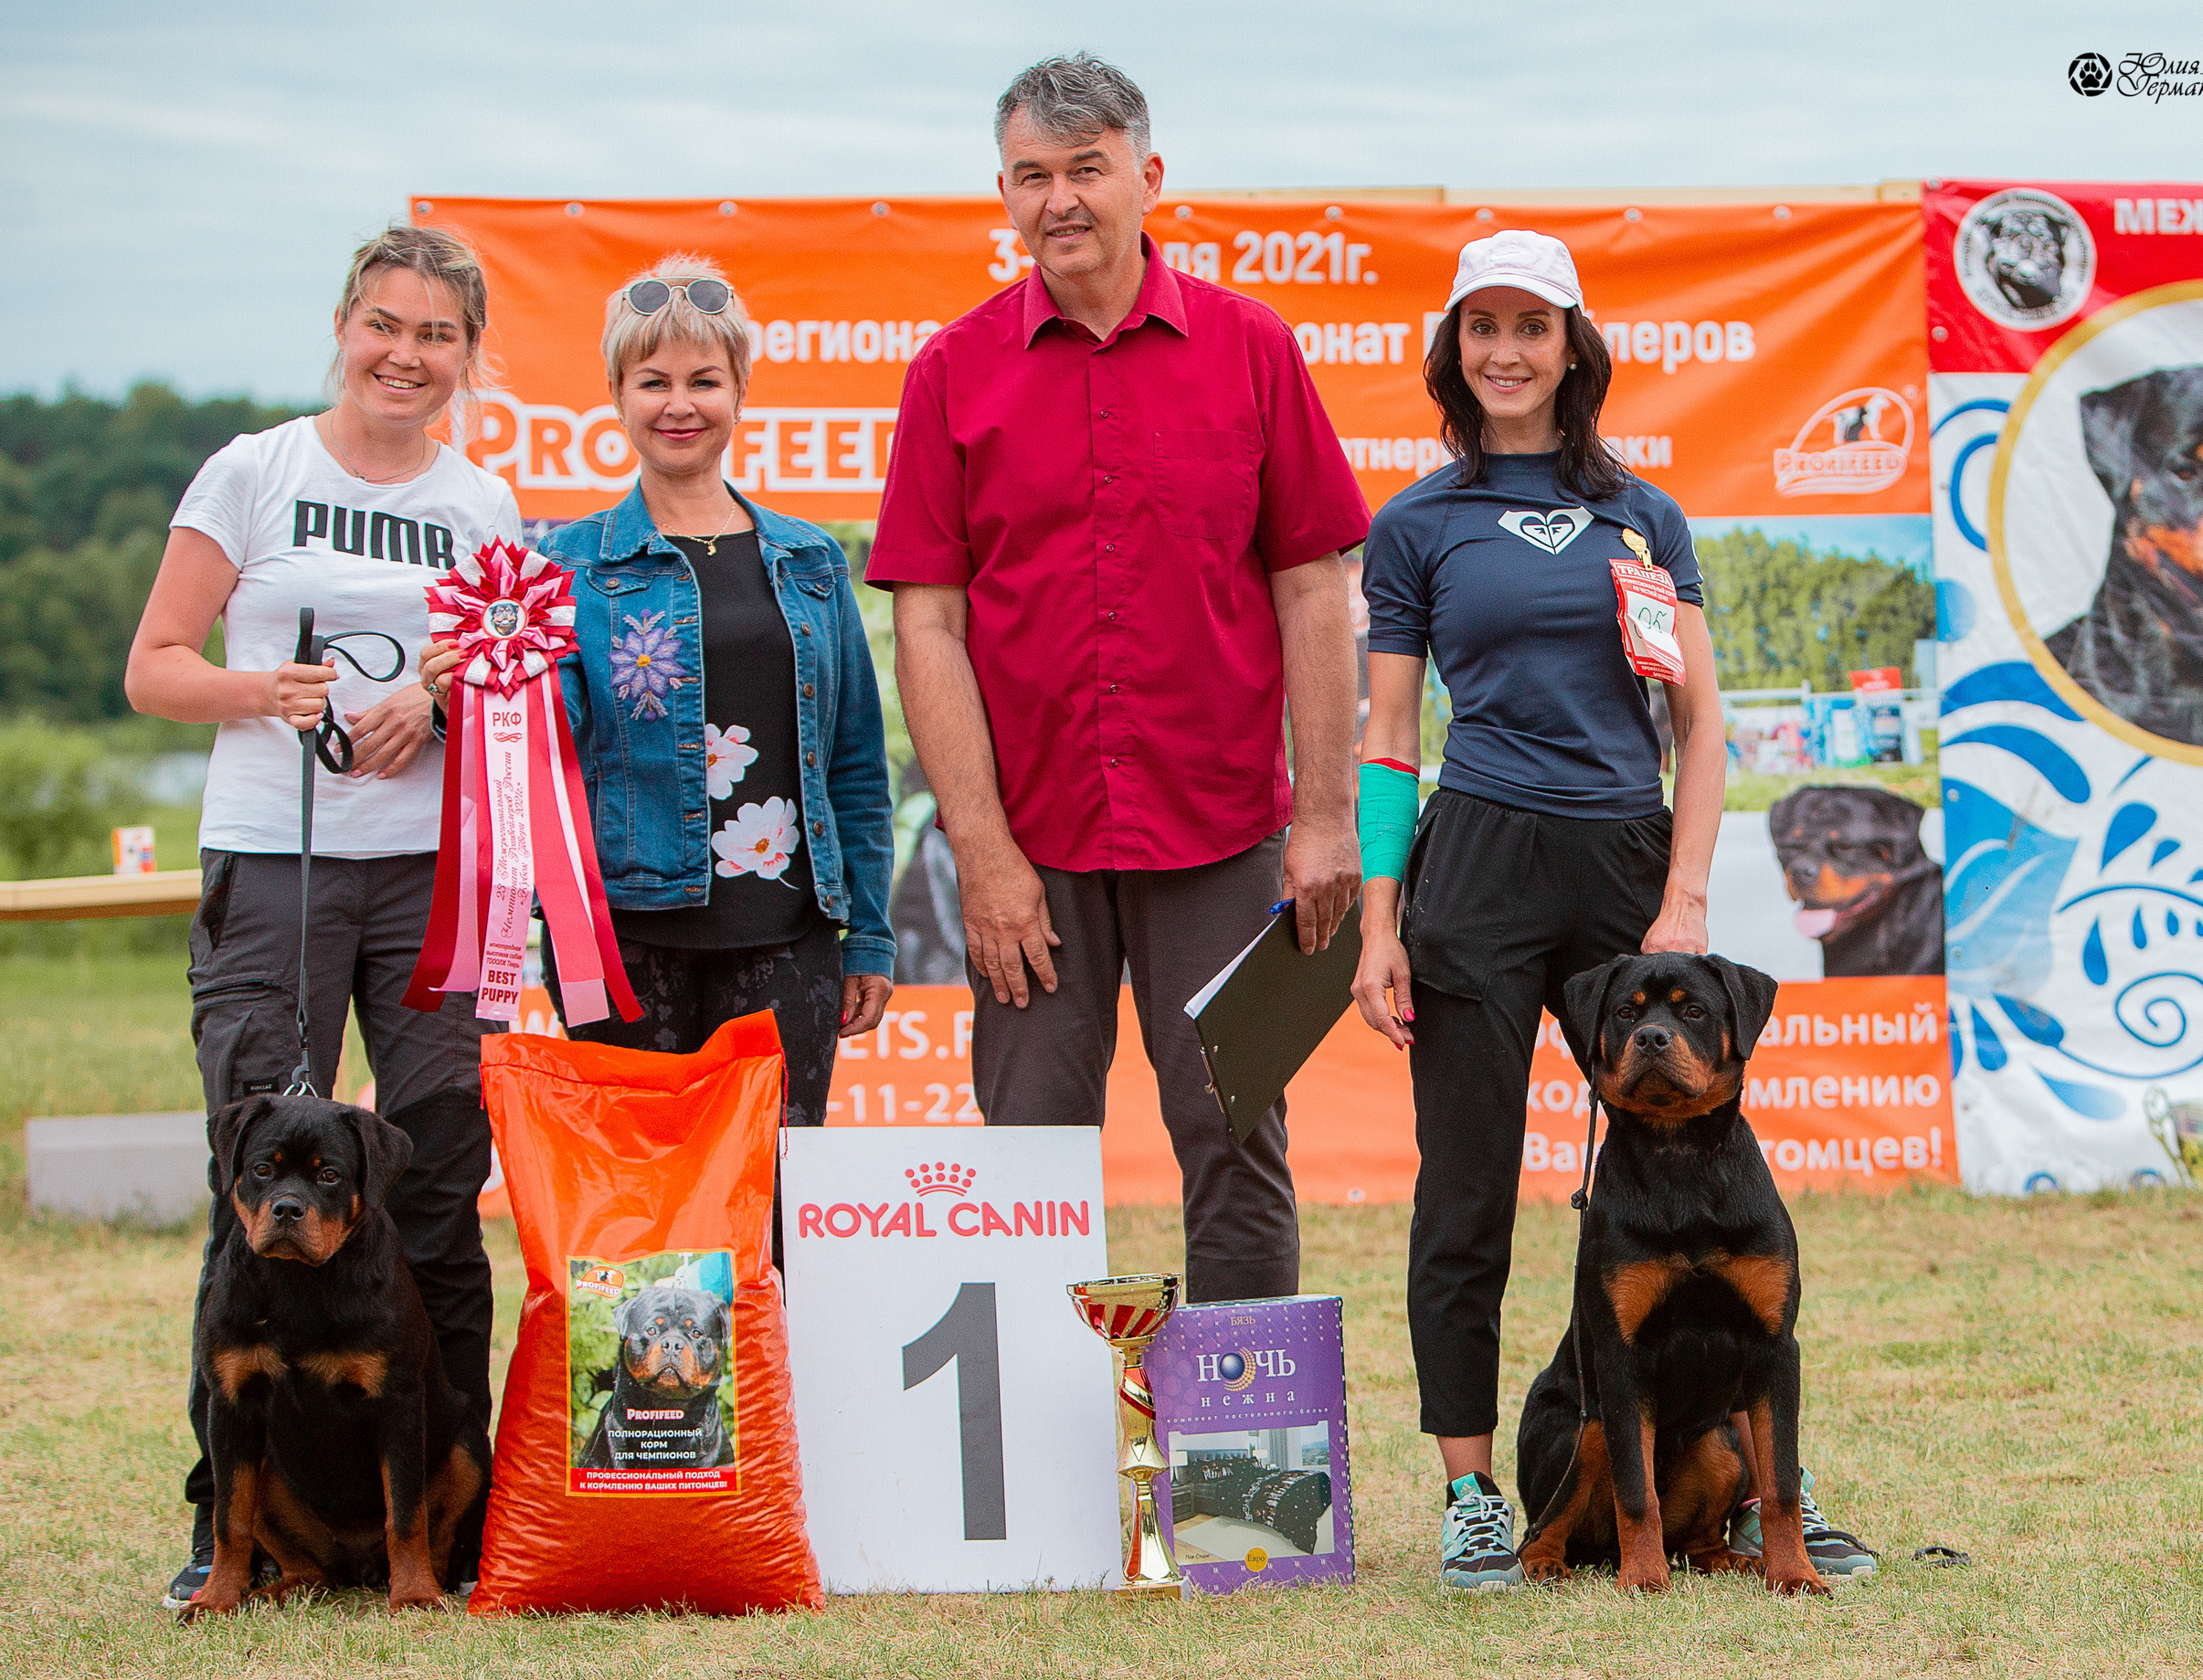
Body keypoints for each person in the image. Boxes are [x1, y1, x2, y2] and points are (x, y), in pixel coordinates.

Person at [1350, 229, 1876, 1590]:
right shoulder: (1416, 523)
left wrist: (1683, 892)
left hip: (1626, 859)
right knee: (1464, 1190)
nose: (1507, 351)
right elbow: (1391, 743)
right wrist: (1380, 923)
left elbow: (1699, 727)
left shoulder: (1644, 515)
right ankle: (1474, 1494)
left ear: (1574, 345)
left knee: (1683, 1162)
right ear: (1453, 349)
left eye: (1533, 325)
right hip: (1475, 863)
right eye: (1483, 327)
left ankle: (1757, 1480)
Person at [870, 53, 1367, 1304]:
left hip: (1220, 833)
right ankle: (1043, 1436)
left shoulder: (1253, 349)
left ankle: (1244, 1429)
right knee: (1026, 1155)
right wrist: (981, 851)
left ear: (1148, 177)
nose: (1060, 200)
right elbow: (928, 627)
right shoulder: (950, 372)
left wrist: (1325, 815)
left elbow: (1314, 590)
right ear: (1003, 191)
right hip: (1029, 851)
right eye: (1031, 175)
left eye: (1086, 169)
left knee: (1235, 1138)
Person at [125, 225, 521, 1609]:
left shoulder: (485, 505)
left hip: (433, 877)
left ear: (469, 355)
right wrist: (262, 692)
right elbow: (154, 669)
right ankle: (225, 1522)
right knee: (254, 1190)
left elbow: (508, 682)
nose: (406, 355)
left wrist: (439, 698)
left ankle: (457, 1521)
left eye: (437, 335)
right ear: (345, 327)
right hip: (273, 862)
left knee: (437, 1189)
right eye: (384, 326)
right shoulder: (253, 471)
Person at [425, 254, 895, 1127]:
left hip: (792, 935)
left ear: (740, 390)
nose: (680, 405)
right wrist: (471, 702)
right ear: (617, 394)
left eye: (704, 380)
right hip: (620, 940)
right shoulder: (566, 563)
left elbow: (857, 766)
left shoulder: (813, 560)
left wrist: (867, 933)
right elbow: (550, 737)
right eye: (654, 382)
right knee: (642, 1189)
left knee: (771, 1187)